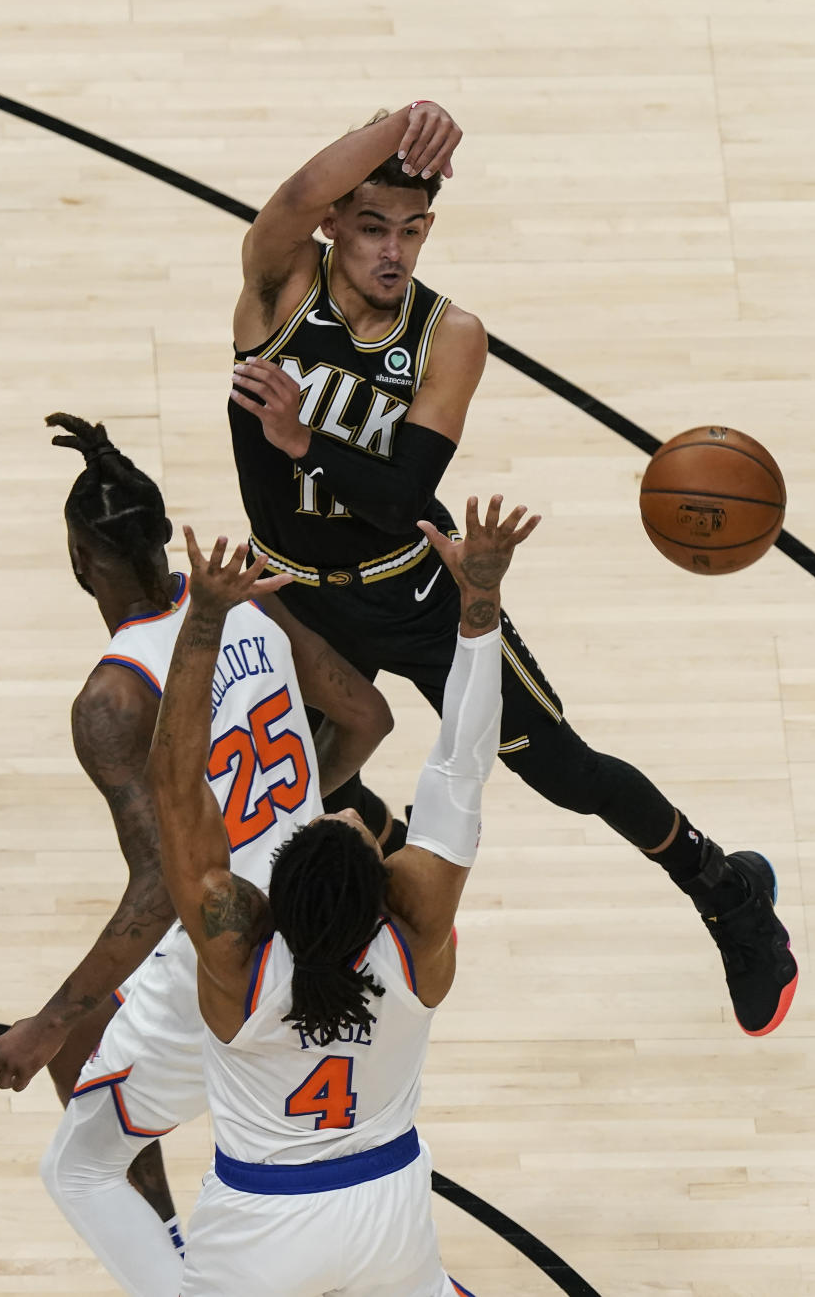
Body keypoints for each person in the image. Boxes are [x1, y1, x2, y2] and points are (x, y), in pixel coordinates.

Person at [226, 99, 798, 1039]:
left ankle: (724, 888)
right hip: (293, 596)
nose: (392, 252)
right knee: (290, 784)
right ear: (333, 225)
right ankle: (390, 859)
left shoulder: (450, 336)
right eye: (371, 226)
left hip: (413, 588)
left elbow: (403, 486)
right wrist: (404, 120)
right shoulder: (278, 293)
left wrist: (300, 441)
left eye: (410, 232)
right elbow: (290, 193)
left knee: (565, 771)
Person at [0, 413, 393, 1297]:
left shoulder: (114, 698)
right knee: (89, 1049)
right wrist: (297, 811)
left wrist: (46, 1018)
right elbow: (369, 716)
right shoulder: (248, 600)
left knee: (76, 1157)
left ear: (80, 563)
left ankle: (170, 1267)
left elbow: (157, 894)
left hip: (228, 942)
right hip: (331, 911)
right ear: (166, 534)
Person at [147, 493, 536, 1296]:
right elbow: (462, 763)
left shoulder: (235, 955)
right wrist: (480, 604)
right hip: (387, 1213)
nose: (356, 812)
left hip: (258, 1224)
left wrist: (204, 624)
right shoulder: (416, 937)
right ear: (384, 887)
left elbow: (176, 789)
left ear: (272, 898)